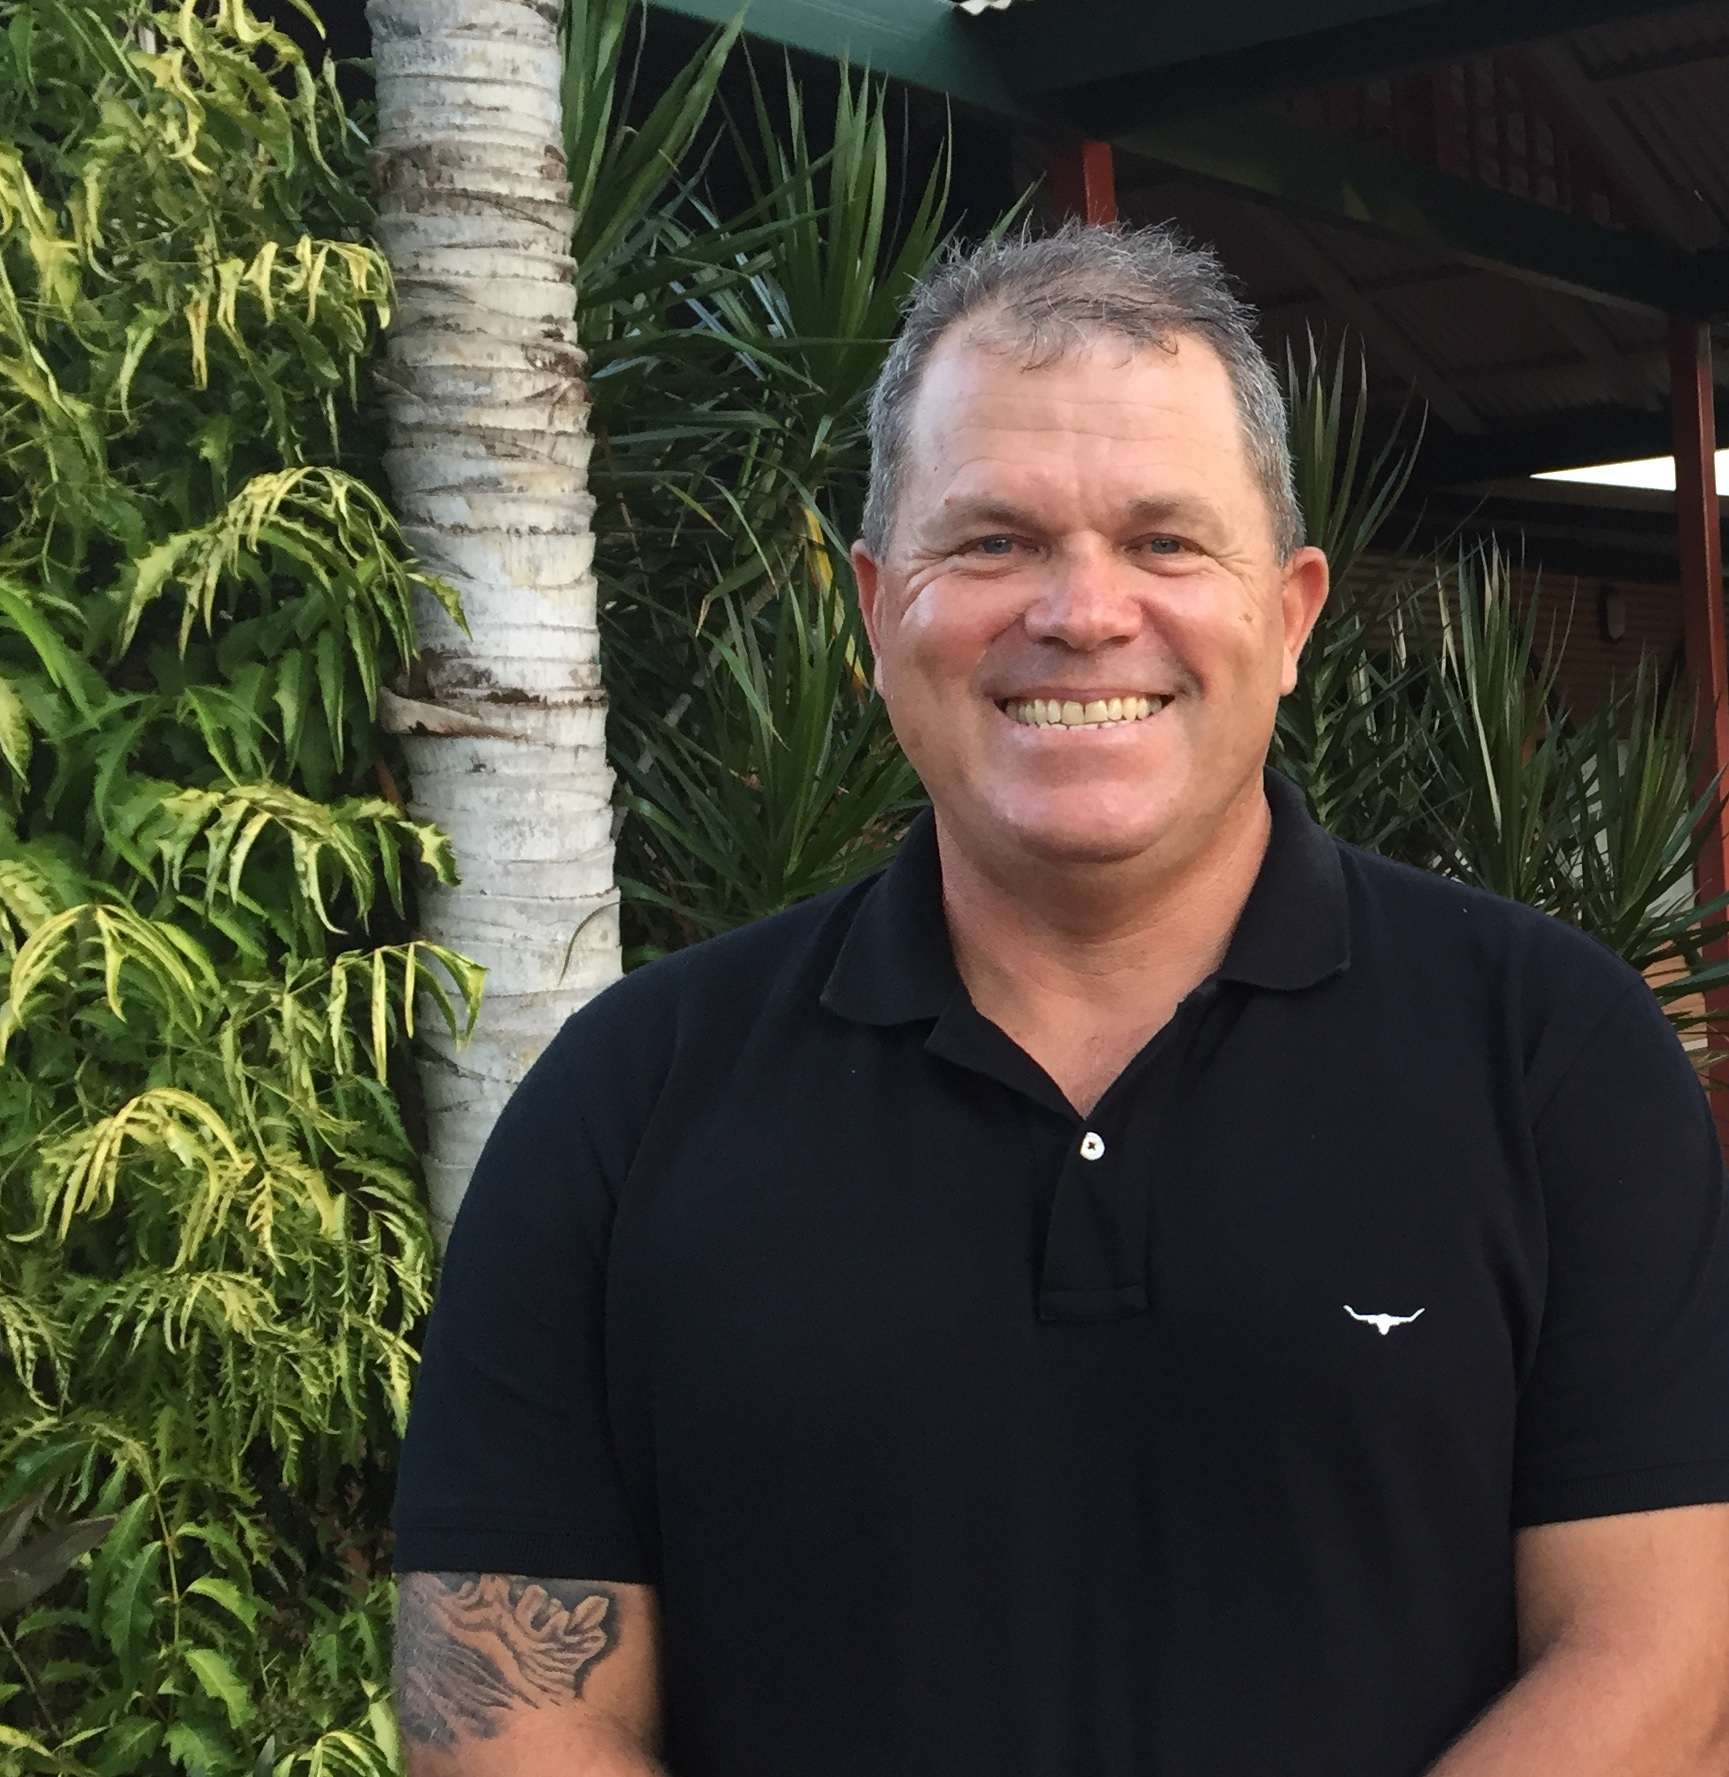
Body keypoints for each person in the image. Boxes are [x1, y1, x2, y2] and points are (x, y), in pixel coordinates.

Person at [388, 222, 1729, 1776]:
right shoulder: (627, 1096)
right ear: (877, 606)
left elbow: (1667, 1660)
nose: (1081, 611)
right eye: (994, 541)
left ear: (1289, 613)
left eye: (1163, 540)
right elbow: (498, 1714)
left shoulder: (1551, 1053)